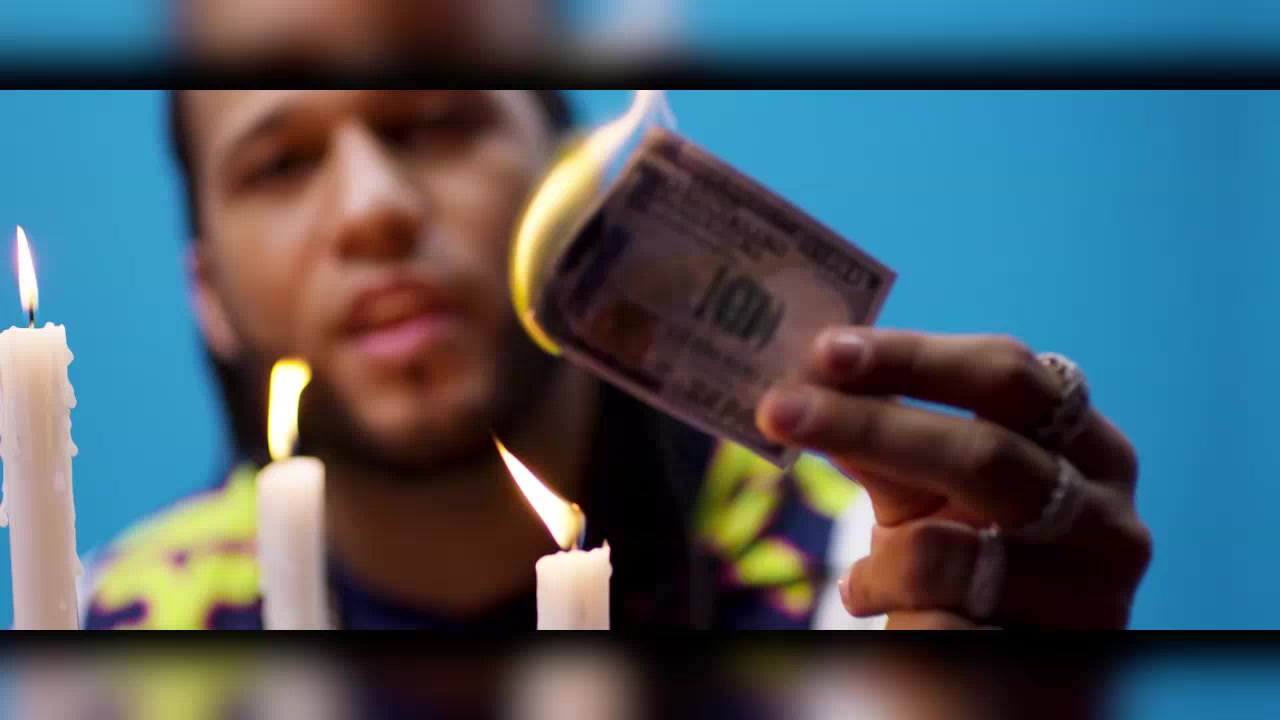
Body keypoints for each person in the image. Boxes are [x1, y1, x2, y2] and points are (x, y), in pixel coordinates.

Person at [81, 8, 1150, 634]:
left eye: (438, 119)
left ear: (582, 196)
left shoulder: (870, 583)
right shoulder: (117, 634)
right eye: (280, 163)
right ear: (207, 295)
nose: (372, 208)